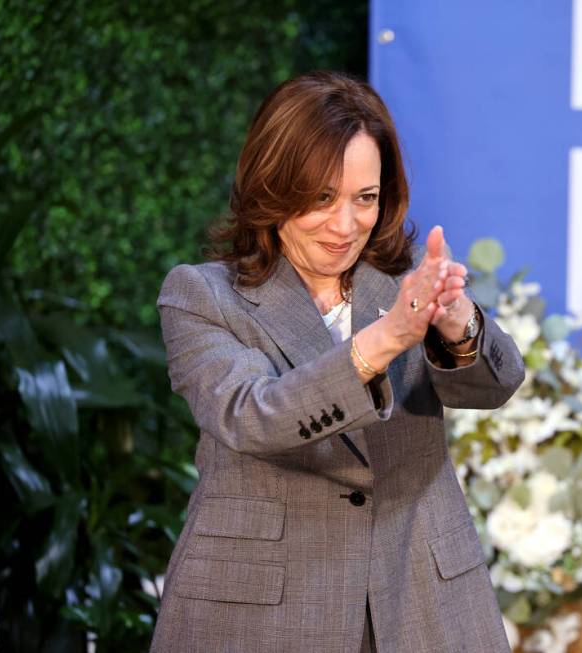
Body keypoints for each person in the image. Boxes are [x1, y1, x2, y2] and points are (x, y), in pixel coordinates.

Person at [150, 71, 524, 652]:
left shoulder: (401, 281)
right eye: (322, 198)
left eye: (365, 198)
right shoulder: (201, 296)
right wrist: (389, 336)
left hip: (417, 597)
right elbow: (253, 415)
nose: (345, 224)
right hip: (259, 608)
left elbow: (495, 385)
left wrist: (456, 322)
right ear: (272, 186)